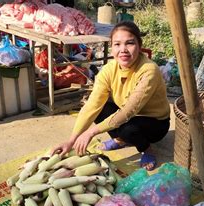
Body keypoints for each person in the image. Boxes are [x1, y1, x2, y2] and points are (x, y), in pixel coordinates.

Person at [51, 21, 170, 171]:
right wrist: (71, 140)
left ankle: (146, 149)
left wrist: (90, 133)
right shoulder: (109, 69)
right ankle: (120, 140)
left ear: (139, 46)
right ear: (112, 47)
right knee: (100, 109)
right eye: (117, 44)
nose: (123, 50)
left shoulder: (149, 70)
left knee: (129, 130)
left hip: (155, 123)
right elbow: (92, 106)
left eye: (130, 43)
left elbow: (128, 111)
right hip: (128, 116)